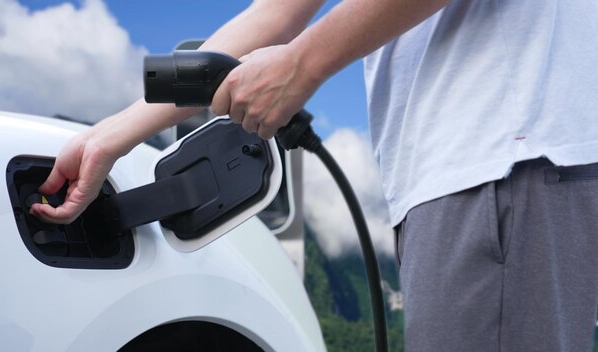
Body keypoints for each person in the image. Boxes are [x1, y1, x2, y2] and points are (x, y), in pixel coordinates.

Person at [31, 1, 598, 351]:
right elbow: (275, 14)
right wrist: (110, 135)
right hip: (456, 177)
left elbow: (287, 31)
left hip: (499, 154)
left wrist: (303, 64)